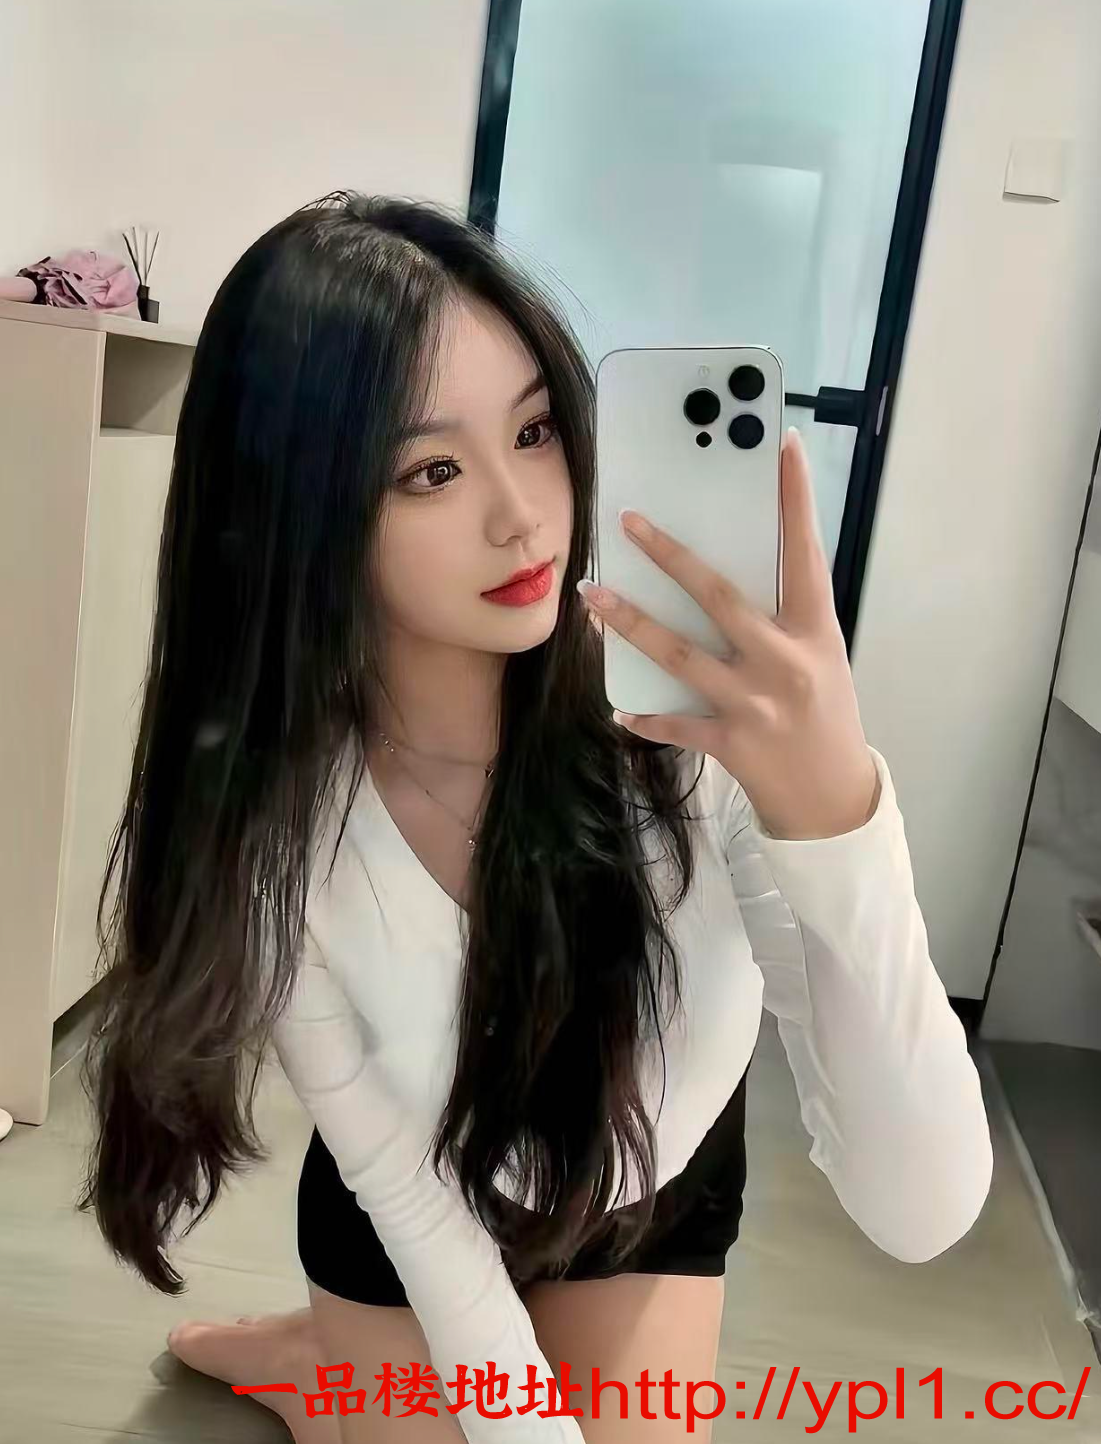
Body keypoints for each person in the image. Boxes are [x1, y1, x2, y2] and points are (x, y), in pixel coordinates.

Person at [77, 193, 992, 1443]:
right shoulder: (283, 827)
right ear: (299, 509)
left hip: (644, 1191)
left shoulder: (694, 742)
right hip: (418, 1199)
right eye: (432, 470)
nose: (523, 516)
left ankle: (330, 1363)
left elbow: (923, 1211)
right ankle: (318, 1359)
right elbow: (404, 1190)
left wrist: (838, 817)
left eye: (537, 428)